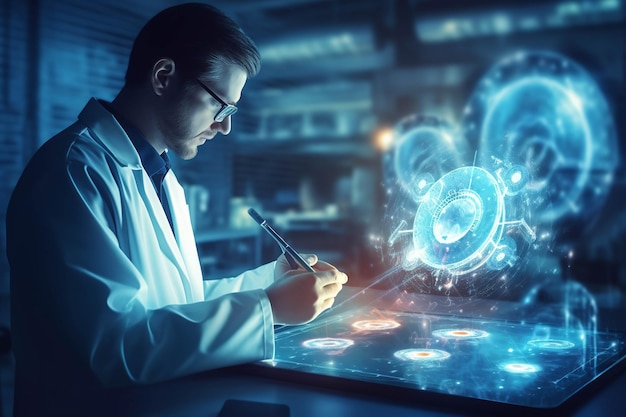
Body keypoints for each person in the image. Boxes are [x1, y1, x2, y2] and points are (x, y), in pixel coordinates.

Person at [5, 3, 348, 416]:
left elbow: (176, 304)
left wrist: (271, 284)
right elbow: (118, 347)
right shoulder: (72, 172)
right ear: (164, 76)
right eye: (220, 105)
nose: (226, 126)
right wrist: (269, 307)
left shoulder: (160, 175)